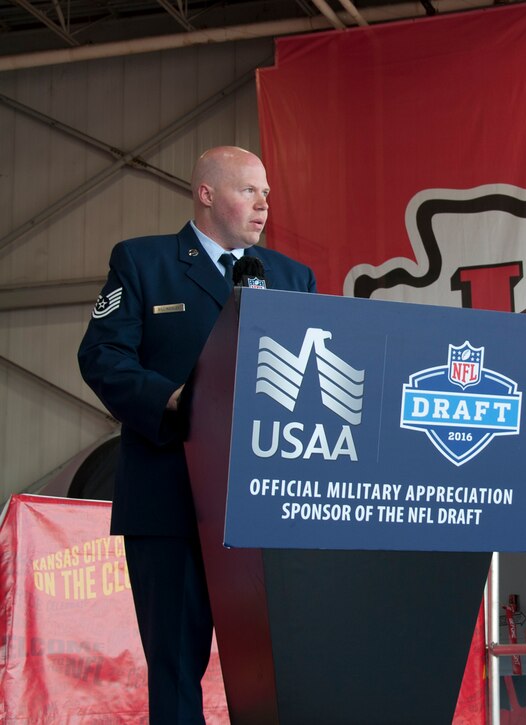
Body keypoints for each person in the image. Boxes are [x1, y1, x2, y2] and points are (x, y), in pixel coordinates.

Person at [78, 146, 316, 723]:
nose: (263, 205)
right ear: (206, 194)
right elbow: (103, 355)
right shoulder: (143, 263)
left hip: (267, 505)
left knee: (276, 672)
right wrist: (172, 400)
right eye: (248, 191)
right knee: (177, 668)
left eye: (266, 193)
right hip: (170, 499)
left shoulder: (290, 276)